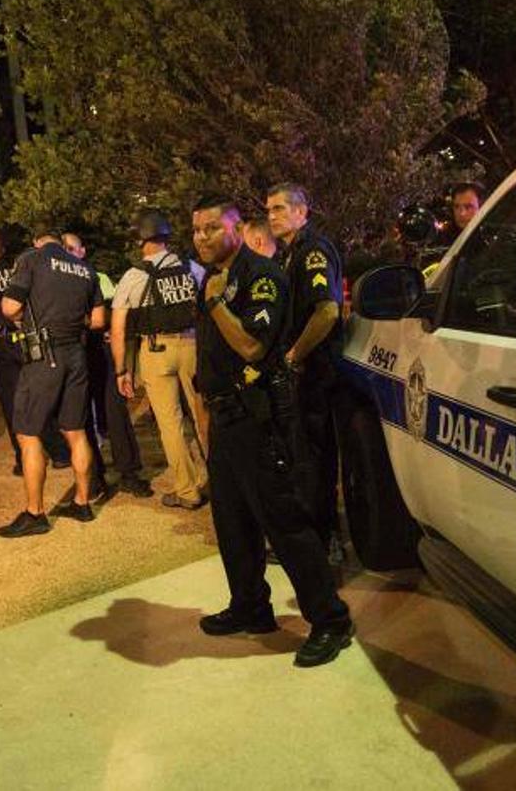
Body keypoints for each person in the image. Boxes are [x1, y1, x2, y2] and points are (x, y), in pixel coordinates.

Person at [191, 195, 353, 668]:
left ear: (236, 228)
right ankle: (250, 606)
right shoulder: (216, 278)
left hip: (257, 417)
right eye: (196, 230)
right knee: (232, 521)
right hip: (225, 419)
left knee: (284, 522)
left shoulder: (261, 277)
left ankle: (331, 620)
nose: (201, 237)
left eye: (211, 228)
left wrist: (216, 303)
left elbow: (251, 346)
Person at [0, 231, 105, 537]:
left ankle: (35, 513)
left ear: (37, 242)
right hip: (76, 355)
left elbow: (9, 307)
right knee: (76, 431)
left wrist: (30, 319)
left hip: (44, 356)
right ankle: (82, 503)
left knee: (28, 434)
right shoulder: (85, 268)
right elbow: (98, 320)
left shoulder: (31, 260)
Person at [266, 183, 346, 562]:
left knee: (314, 460)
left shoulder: (312, 251)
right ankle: (316, 538)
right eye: (269, 210)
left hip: (315, 373)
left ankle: (323, 542)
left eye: (280, 208)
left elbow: (327, 311)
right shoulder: (292, 253)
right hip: (304, 372)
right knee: (304, 459)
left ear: (302, 212)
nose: (272, 216)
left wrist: (295, 354)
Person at [111, 208, 209, 509]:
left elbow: (118, 330)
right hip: (193, 346)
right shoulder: (192, 268)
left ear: (140, 239)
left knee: (171, 425)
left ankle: (187, 491)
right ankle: (222, 484)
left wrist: (122, 371)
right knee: (204, 418)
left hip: (155, 351)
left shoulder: (133, 276)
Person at [0, 233, 69, 476]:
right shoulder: (20, 268)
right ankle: (60, 453)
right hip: (30, 342)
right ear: (3, 250)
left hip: (0, 349)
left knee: (12, 406)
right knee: (39, 398)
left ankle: (24, 459)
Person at [61, 231, 148, 501]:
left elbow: (111, 314)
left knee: (115, 411)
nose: (67, 253)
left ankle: (129, 473)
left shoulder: (97, 277)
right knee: (82, 417)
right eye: (64, 249)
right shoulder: (57, 282)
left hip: (99, 349)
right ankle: (95, 476)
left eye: (72, 248)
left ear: (82, 252)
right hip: (74, 353)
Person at [435, 181, 484, 247]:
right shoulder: (443, 240)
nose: (462, 213)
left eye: (468, 207)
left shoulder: (489, 237)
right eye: (457, 207)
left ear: (481, 207)